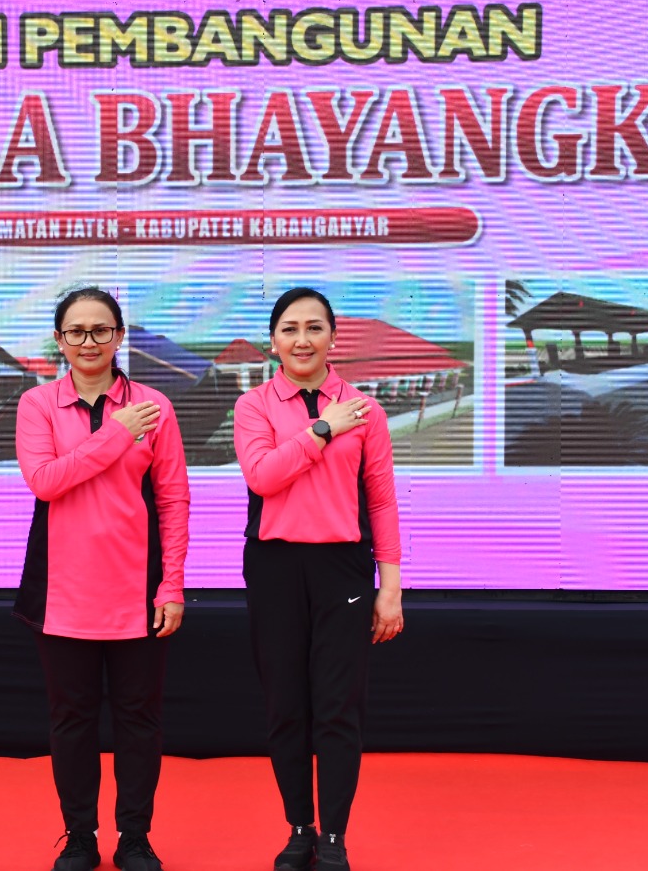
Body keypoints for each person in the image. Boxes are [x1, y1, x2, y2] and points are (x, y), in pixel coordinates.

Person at [13, 288, 191, 871]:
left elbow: (173, 500)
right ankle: (80, 836)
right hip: (62, 593)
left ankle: (134, 837)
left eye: (100, 330)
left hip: (137, 590)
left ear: (119, 336)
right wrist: (117, 433)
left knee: (140, 721)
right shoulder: (37, 404)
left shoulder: (154, 406)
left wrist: (171, 584)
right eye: (76, 331)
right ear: (59, 340)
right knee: (72, 721)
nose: (88, 342)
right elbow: (45, 480)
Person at [232, 288, 405, 871]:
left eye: (314, 327)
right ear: (273, 341)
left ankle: (333, 835)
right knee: (286, 706)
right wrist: (321, 429)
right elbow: (262, 476)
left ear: (334, 337)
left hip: (343, 568)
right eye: (289, 328)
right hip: (275, 566)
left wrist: (390, 588)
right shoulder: (254, 406)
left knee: (337, 707)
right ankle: (299, 828)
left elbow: (381, 501)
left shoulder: (365, 409)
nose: (301, 339)